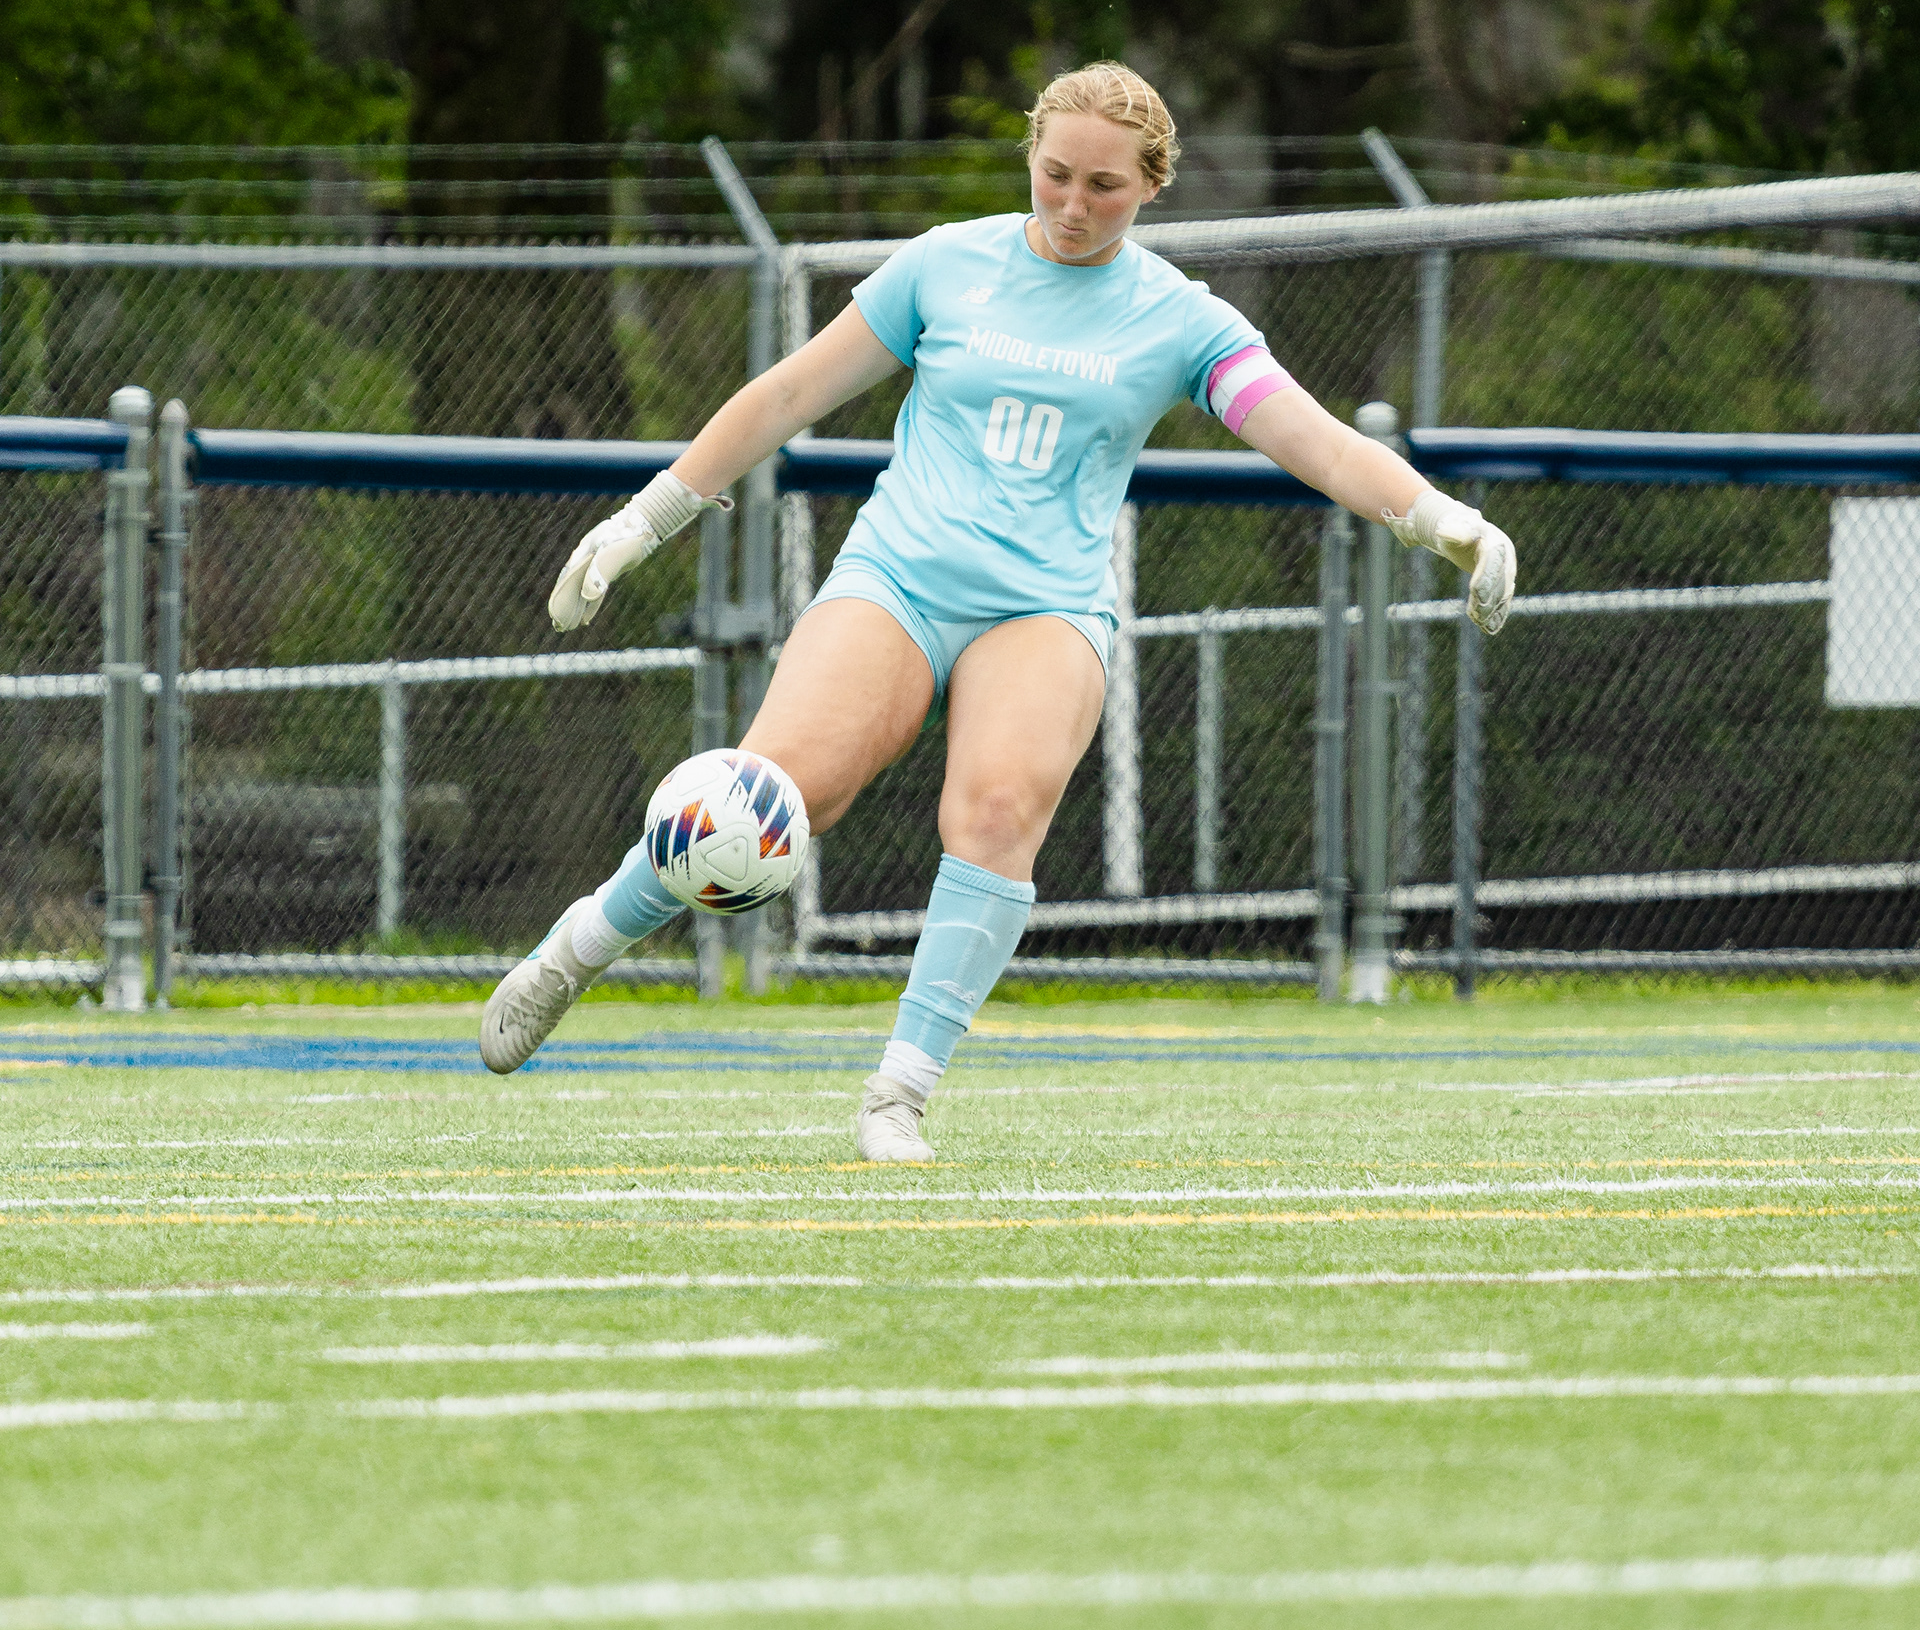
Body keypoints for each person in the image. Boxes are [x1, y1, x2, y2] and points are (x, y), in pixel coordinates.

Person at [480, 62, 1516, 1153]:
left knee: (997, 812)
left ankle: (898, 1095)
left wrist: (1445, 522)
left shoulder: (1183, 320)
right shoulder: (945, 264)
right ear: (1031, 155)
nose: (1072, 205)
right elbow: (787, 393)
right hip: (899, 577)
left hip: (1045, 608)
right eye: (1055, 174)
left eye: (1104, 187)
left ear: (1153, 185)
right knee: (774, 797)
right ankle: (575, 951)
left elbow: (1320, 443)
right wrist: (646, 518)